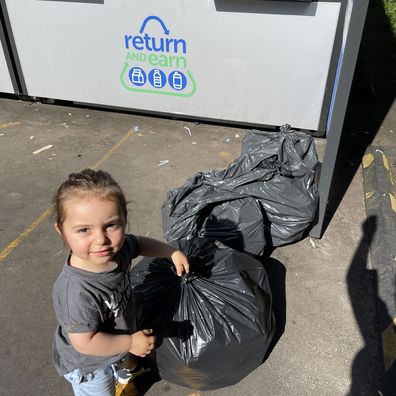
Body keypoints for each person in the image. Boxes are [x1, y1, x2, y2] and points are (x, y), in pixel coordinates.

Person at [51, 168, 190, 395]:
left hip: (119, 334)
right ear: (61, 231)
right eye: (84, 229)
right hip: (90, 365)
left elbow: (140, 244)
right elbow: (84, 343)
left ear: (124, 220)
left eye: (111, 225)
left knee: (123, 353)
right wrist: (130, 343)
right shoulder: (75, 291)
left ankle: (125, 370)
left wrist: (171, 252)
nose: (101, 240)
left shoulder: (120, 250)